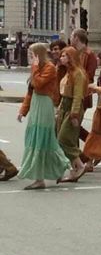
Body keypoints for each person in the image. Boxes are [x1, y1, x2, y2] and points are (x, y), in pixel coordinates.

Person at [16, 43, 70, 190]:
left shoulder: (49, 68)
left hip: (44, 104)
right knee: (35, 139)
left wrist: (34, 67)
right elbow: (31, 91)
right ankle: (48, 173)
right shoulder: (37, 68)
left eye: (32, 54)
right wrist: (23, 110)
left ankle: (46, 175)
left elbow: (39, 84)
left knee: (43, 139)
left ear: (38, 54)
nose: (30, 57)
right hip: (35, 104)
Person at [56, 47, 89, 183]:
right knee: (63, 138)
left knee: (63, 138)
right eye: (61, 56)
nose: (61, 58)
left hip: (72, 107)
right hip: (64, 105)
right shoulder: (67, 72)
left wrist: (74, 114)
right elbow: (63, 94)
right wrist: (59, 109)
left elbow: (77, 96)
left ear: (71, 57)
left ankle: (80, 165)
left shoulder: (78, 73)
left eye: (65, 56)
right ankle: (76, 166)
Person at [69, 29, 98, 144]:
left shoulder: (89, 55)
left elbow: (89, 75)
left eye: (71, 36)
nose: (70, 38)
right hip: (72, 93)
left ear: (76, 38)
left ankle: (93, 144)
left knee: (74, 126)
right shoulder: (73, 53)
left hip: (82, 94)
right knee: (71, 127)